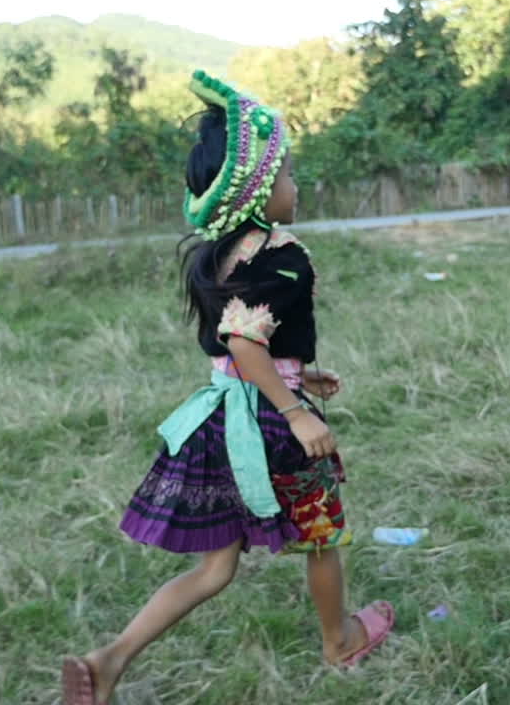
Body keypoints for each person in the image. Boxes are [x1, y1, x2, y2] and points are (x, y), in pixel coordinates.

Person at [61, 71, 394, 705]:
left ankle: (109, 661)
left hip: (222, 418)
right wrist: (297, 409)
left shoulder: (220, 254)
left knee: (216, 567)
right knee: (321, 538)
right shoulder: (283, 255)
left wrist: (297, 369)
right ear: (259, 190)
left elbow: (240, 346)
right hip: (271, 428)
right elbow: (244, 338)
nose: (296, 187)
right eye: (289, 175)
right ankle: (341, 640)